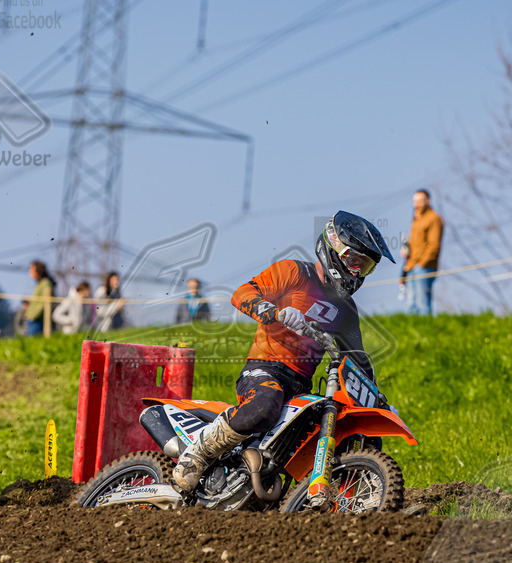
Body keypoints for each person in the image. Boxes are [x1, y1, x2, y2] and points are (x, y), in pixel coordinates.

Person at [172, 211, 394, 493]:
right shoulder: (294, 272)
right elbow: (242, 293)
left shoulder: (346, 309)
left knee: (353, 423)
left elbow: (357, 358)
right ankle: (198, 453)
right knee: (265, 405)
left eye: (365, 268)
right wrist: (274, 311)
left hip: (301, 387)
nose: (356, 272)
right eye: (353, 262)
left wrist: (375, 397)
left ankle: (361, 499)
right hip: (265, 369)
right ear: (334, 248)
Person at [396, 190, 444, 315]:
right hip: (411, 265)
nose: (416, 204)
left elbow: (434, 245)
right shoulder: (416, 219)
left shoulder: (434, 218)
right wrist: (407, 251)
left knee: (423, 303)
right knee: (412, 304)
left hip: (424, 267)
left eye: (419, 201)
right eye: (414, 201)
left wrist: (422, 264)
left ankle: (426, 331)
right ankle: (413, 332)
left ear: (428, 201)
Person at [24, 260, 55, 336]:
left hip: (37, 320)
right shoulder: (39, 283)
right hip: (33, 319)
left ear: (38, 270)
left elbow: (44, 303)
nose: (30, 272)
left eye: (32, 269)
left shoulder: (46, 284)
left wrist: (33, 315)